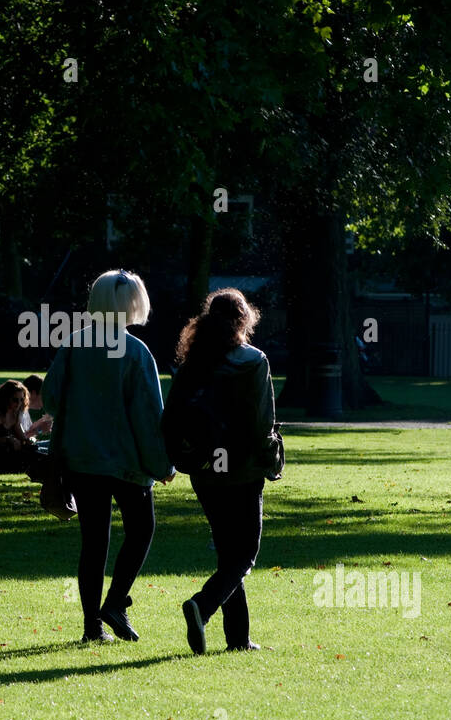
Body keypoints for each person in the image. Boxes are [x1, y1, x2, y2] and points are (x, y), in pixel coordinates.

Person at [42, 270, 175, 643]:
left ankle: (92, 626)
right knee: (141, 530)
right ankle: (115, 602)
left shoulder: (74, 344)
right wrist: (162, 465)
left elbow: (51, 398)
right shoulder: (136, 352)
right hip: (126, 462)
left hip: (83, 459)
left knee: (94, 542)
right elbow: (149, 416)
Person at [169, 288, 276, 655]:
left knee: (228, 552)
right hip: (243, 467)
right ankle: (203, 604)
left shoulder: (192, 363)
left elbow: (173, 418)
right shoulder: (253, 360)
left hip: (205, 467)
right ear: (245, 319)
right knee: (245, 553)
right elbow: (263, 423)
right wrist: (271, 460)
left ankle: (238, 638)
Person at [19, 374, 54, 439]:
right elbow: (21, 439)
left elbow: (28, 432)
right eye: (42, 395)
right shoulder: (17, 411)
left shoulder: (24, 410)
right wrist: (39, 430)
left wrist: (42, 422)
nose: (44, 399)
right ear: (33, 393)